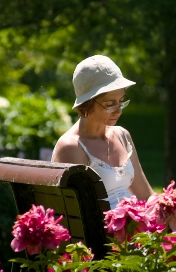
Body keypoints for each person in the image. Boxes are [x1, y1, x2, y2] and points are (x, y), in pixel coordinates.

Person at [52, 55, 153, 209]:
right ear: (86, 104)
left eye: (121, 101)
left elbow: (146, 195)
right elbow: (79, 215)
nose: (118, 111)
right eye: (110, 104)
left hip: (134, 225)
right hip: (106, 230)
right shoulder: (72, 147)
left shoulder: (122, 135)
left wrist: (173, 206)